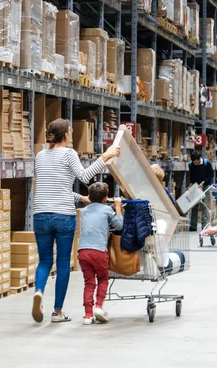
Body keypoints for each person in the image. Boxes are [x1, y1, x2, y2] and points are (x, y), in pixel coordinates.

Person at [32, 118, 121, 323]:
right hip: (63, 215)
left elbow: (55, 186)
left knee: (45, 260)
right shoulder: (69, 153)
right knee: (63, 263)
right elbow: (84, 176)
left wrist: (80, 198)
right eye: (70, 132)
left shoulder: (40, 156)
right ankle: (57, 312)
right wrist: (105, 156)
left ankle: (38, 291)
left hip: (40, 214)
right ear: (65, 135)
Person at [78, 183, 123, 325]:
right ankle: (98, 307)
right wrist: (117, 208)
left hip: (83, 251)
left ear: (89, 197)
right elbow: (118, 226)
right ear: (106, 198)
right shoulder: (107, 211)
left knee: (89, 283)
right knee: (103, 278)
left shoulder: (84, 211)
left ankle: (87, 315)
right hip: (99, 252)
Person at [188, 152, 214, 231]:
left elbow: (211, 175)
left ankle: (204, 225)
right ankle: (193, 225)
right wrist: (191, 184)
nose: (195, 164)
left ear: (199, 159)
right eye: (193, 162)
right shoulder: (191, 164)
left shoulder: (207, 164)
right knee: (194, 206)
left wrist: (204, 182)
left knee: (204, 205)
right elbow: (192, 175)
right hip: (196, 186)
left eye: (196, 162)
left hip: (205, 186)